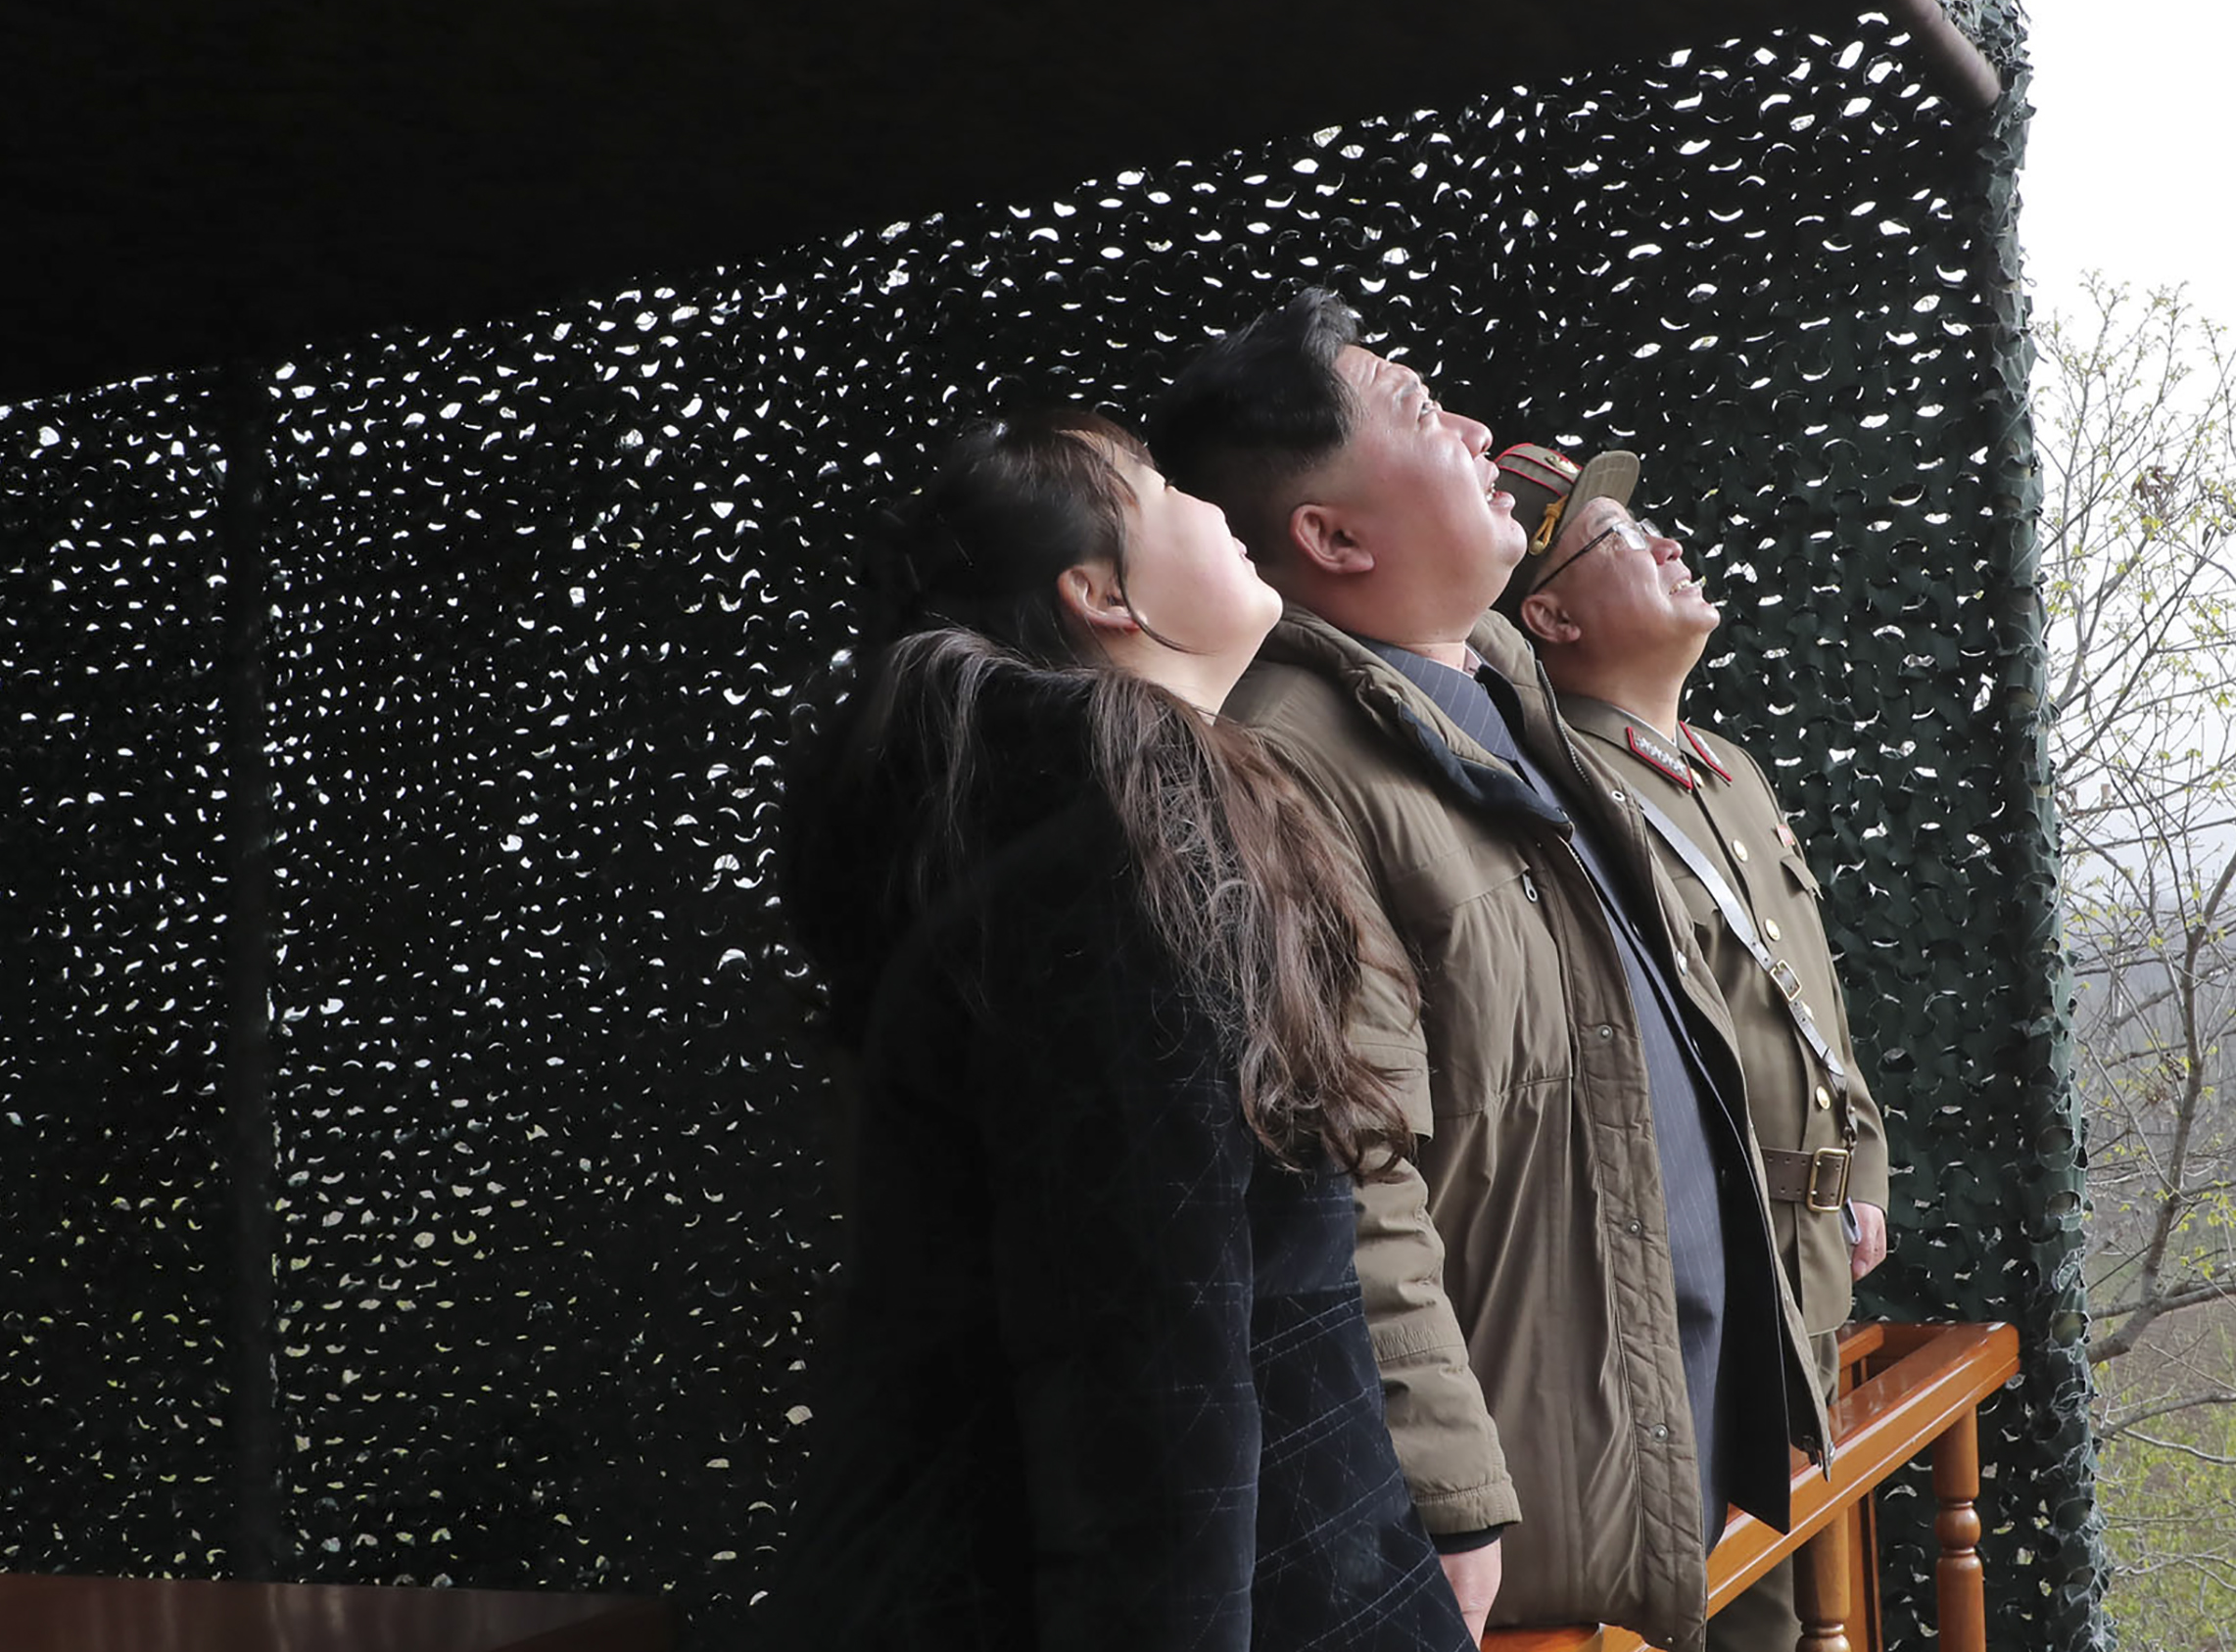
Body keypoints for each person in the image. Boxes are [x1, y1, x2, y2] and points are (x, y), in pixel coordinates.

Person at [1150, 293, 1827, 1652]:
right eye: (1415, 405)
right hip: (1534, 1530)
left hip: (1668, 1447)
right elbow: (1348, 1157)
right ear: (1331, 536)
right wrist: (1448, 1492)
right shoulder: (1289, 765)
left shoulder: (1508, 690)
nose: (1473, 425)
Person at [758, 409, 1475, 1652]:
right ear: (1102, 595)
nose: (1206, 502)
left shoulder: (1100, 833)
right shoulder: (1119, 859)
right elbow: (1153, 1386)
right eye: (1155, 486)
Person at [1497, 442, 1893, 1652]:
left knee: (1775, 1592)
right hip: (1698, 1293)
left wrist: (1863, 1174)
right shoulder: (1564, 789)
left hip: (1811, 1272)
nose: (1667, 543)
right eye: (1617, 540)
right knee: (1722, 1607)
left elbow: (1808, 1005)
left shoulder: (1730, 772)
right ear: (1547, 614)